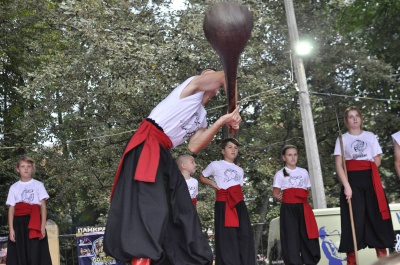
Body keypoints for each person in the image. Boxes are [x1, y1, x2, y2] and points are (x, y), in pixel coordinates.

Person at [104, 69, 242, 265]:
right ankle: (141, 257)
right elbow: (224, 76)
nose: (214, 83)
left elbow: (194, 146)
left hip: (164, 153)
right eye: (208, 75)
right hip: (148, 145)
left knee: (181, 208)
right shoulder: (190, 87)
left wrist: (221, 121)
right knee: (152, 209)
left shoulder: (201, 116)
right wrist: (233, 109)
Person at [334, 106, 394, 265]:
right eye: (350, 117)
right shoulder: (342, 139)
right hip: (352, 182)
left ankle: (383, 260)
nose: (354, 119)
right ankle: (352, 262)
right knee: (353, 221)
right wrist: (347, 186)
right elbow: (339, 166)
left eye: (357, 116)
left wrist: (365, 165)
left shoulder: (370, 136)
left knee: (377, 218)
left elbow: (378, 160)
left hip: (371, 181)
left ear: (361, 118)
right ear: (346, 121)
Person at [199, 137, 255, 265]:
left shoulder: (239, 170)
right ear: (223, 151)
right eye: (230, 147)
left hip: (239, 203)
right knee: (226, 236)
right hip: (224, 202)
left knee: (244, 235)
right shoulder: (215, 165)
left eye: (235, 148)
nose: (233, 150)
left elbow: (238, 187)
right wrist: (212, 184)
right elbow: (202, 176)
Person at [272, 145, 320, 265]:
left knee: (307, 235)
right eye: (289, 155)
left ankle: (310, 261)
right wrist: (282, 196)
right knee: (291, 238)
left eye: (295, 154)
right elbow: (275, 193)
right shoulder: (280, 174)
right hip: (288, 208)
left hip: (303, 207)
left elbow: (305, 189)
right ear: (284, 157)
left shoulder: (303, 172)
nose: (293, 157)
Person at [5, 155, 52, 265]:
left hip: (34, 223)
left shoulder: (38, 185)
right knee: (20, 254)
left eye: (28, 166)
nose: (26, 169)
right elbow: (11, 209)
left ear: (32, 169)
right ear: (18, 169)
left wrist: (42, 226)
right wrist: (11, 229)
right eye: (23, 166)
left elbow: (43, 206)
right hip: (19, 224)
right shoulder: (14, 187)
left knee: (35, 253)